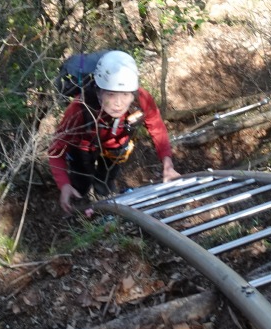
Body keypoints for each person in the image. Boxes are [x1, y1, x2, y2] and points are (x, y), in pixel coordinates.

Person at [48, 50, 179, 216]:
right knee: (81, 181)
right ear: (98, 91)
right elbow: (56, 149)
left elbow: (156, 126)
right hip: (84, 146)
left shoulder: (141, 98)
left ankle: (103, 201)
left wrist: (167, 164)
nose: (118, 103)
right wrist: (64, 185)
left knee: (106, 179)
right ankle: (79, 210)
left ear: (133, 94)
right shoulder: (80, 108)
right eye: (110, 94)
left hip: (117, 144)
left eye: (125, 95)